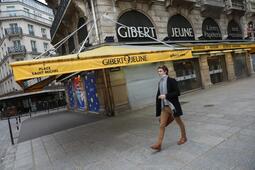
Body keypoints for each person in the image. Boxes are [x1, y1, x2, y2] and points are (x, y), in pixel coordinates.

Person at [150, 65, 187, 151]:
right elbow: (158, 94)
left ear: (165, 71)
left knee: (179, 123)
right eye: (158, 71)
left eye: (160, 71)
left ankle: (184, 137)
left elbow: (177, 92)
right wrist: (159, 105)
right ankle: (158, 144)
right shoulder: (160, 82)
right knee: (162, 125)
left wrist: (165, 96)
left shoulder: (172, 80)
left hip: (172, 106)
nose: (159, 73)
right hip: (164, 107)